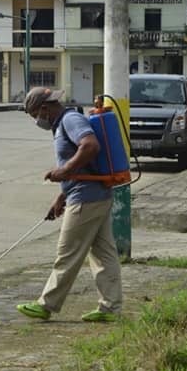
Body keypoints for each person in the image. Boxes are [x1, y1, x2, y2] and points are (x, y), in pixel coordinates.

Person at [17, 87, 123, 323]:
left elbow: (90, 146)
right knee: (104, 254)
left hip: (86, 199)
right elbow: (83, 165)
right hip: (95, 195)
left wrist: (64, 170)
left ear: (44, 108)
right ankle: (111, 308)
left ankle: (46, 304)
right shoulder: (63, 123)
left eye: (35, 115)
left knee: (67, 253)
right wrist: (62, 196)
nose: (36, 120)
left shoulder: (70, 120)